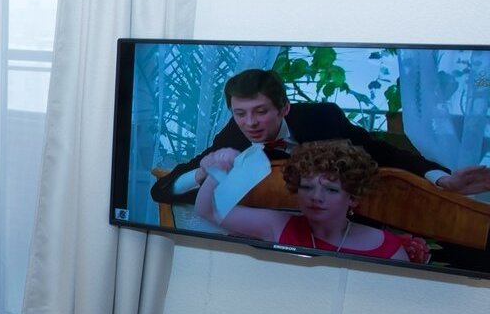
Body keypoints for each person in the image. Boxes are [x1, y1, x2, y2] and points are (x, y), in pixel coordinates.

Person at [150, 68, 490, 205]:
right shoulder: (233, 136)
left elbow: (384, 153)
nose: (250, 123)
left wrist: (442, 179)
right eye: (240, 113)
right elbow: (162, 190)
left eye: (261, 111)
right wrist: (201, 174)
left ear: (284, 108)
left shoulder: (322, 118)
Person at [194, 140, 409, 260]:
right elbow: (208, 211)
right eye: (306, 187)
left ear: (353, 197)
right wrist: (218, 170)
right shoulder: (278, 224)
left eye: (331, 190)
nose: (316, 197)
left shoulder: (388, 247)